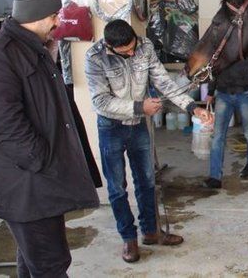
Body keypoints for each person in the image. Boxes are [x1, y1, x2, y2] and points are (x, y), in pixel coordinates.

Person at [0, 0, 100, 277]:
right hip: (26, 181)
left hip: (37, 181)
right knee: (51, 265)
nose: (58, 22)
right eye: (54, 16)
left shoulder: (34, 49)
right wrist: (41, 161)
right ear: (37, 15)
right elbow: (4, 124)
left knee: (34, 260)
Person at [84, 19, 213, 263]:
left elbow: (163, 82)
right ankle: (128, 238)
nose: (132, 53)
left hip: (139, 126)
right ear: (110, 46)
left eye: (133, 47)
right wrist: (138, 106)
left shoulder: (144, 46)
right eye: (125, 52)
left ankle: (151, 231)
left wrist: (192, 107)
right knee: (117, 187)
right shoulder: (95, 57)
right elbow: (100, 101)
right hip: (110, 127)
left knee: (146, 180)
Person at [202, 58, 248, 189]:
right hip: (223, 95)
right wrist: (210, 92)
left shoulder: (246, 45)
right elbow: (213, 69)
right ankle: (215, 177)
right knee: (218, 136)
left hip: (244, 94)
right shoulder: (222, 46)